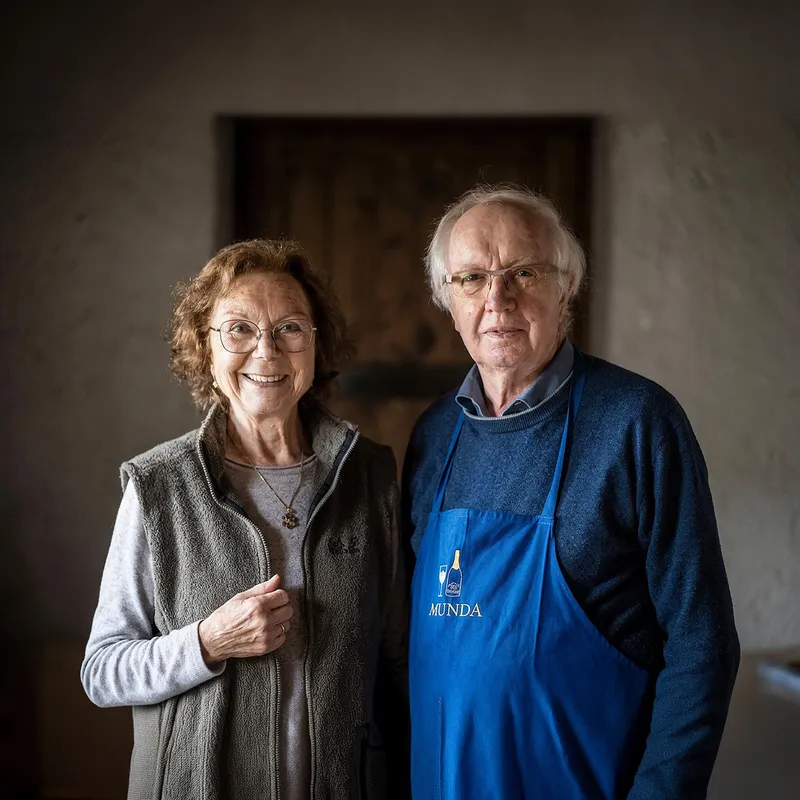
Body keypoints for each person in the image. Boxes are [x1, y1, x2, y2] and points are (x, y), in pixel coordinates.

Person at [402, 185, 740, 799]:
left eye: (523, 272)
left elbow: (703, 644)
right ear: (446, 300)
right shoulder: (432, 435)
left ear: (566, 287)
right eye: (472, 278)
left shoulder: (638, 422)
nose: (496, 298)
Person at [82, 240, 408, 800]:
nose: (267, 351)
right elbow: (103, 671)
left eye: (290, 328)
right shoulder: (158, 487)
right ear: (204, 349)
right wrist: (207, 642)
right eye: (238, 329)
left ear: (315, 344)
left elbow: (399, 657)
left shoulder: (370, 475)